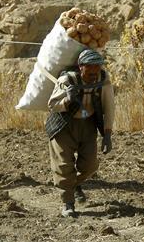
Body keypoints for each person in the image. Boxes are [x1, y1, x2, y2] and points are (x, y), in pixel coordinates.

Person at [46, 48, 115, 218]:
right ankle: (68, 203)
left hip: (88, 125)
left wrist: (107, 134)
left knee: (90, 165)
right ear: (80, 66)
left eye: (97, 67)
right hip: (63, 125)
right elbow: (52, 105)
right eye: (89, 67)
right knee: (63, 165)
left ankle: (72, 184)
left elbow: (109, 107)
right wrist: (67, 99)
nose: (93, 71)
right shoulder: (66, 80)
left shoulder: (103, 80)